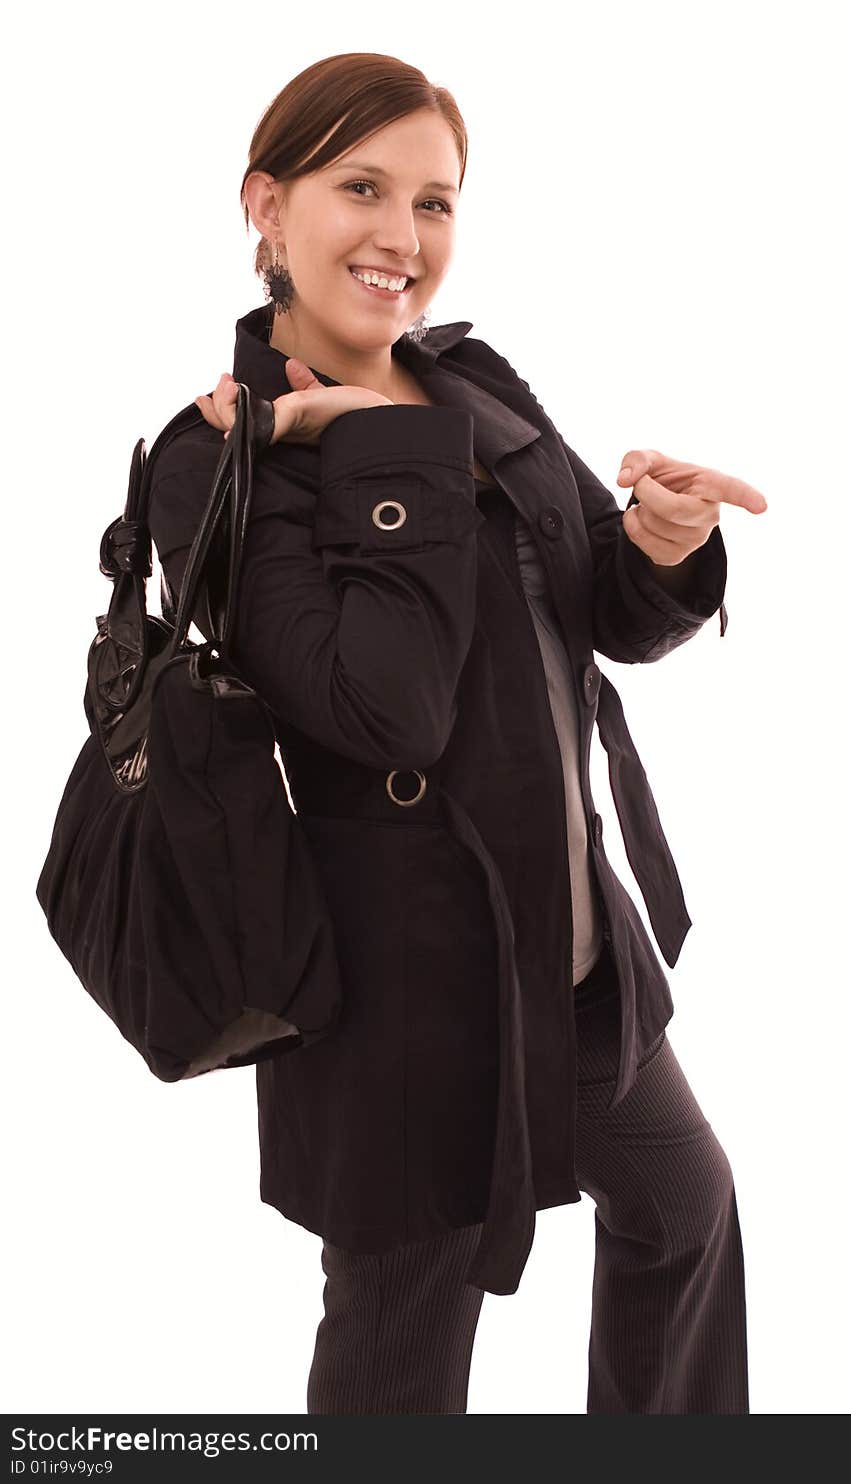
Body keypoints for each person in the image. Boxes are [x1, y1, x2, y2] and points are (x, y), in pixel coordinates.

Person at [148, 51, 766, 1414]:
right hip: (402, 998)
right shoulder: (217, 461)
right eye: (361, 188)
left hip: (573, 949)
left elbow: (602, 603)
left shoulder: (474, 378)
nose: (403, 237)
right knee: (401, 1353)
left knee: (683, 1211)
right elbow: (386, 708)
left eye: (436, 202)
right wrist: (372, 448)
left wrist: (664, 550)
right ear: (267, 204)